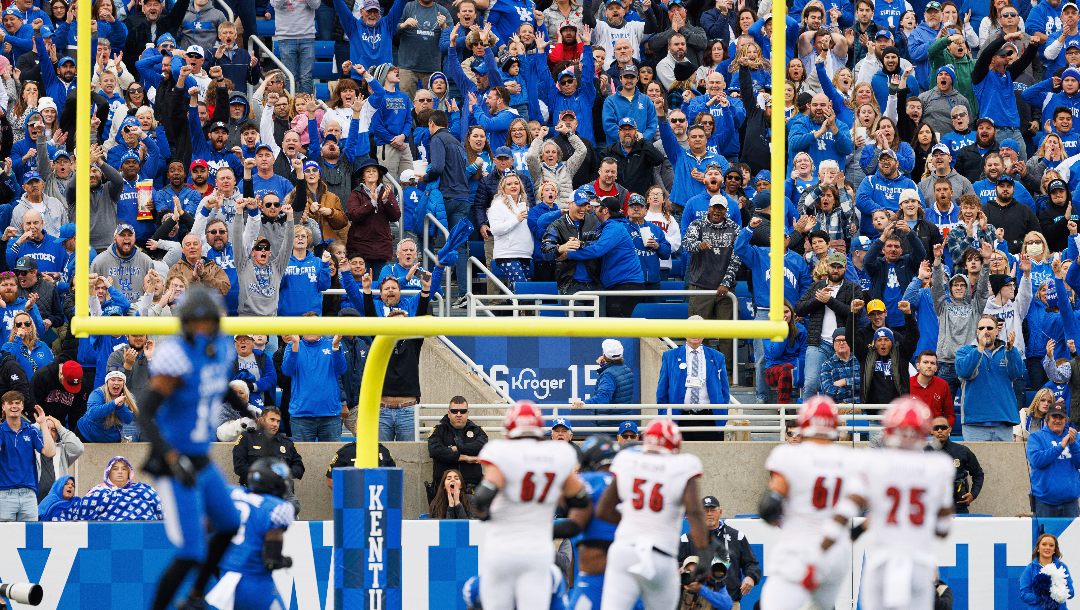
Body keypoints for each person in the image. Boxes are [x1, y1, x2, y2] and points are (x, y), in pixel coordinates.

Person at [137, 286, 243, 610]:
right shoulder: (177, 354)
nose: (200, 329)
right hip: (175, 461)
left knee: (229, 524)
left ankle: (195, 596)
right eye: (194, 323)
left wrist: (247, 408)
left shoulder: (220, 349)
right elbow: (146, 412)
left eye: (205, 322)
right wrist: (170, 456)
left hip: (201, 458)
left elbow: (216, 383)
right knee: (191, 551)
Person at [819, 397, 954, 610]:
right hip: (919, 562)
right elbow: (944, 529)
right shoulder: (939, 466)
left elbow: (847, 508)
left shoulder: (873, 463)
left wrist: (823, 545)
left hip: (882, 560)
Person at [472, 401, 588, 610]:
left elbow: (482, 497)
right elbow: (580, 498)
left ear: (510, 426)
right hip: (537, 550)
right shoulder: (559, 455)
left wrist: (484, 514)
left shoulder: (500, 451)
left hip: (503, 547)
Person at [596, 419, 712, 610]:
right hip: (661, 555)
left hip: (625, 551)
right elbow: (694, 512)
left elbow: (603, 511)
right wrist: (705, 552)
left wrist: (634, 519)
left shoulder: (628, 460)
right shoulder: (682, 465)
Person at [758, 396, 851, 609]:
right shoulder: (849, 458)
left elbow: (768, 507)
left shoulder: (788, 456)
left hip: (800, 547)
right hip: (836, 552)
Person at [204, 458, 297, 610]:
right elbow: (271, 560)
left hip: (225, 580)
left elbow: (208, 530)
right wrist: (284, 561)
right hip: (254, 583)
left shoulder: (232, 493)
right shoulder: (276, 508)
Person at [557, 436, 625, 610]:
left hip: (597, 572)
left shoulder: (588, 480)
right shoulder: (629, 481)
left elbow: (574, 523)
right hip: (633, 570)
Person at [656, 316, 732, 442]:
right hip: (679, 419)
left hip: (709, 419)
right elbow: (662, 391)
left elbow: (724, 390)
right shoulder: (670, 357)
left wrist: (722, 416)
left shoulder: (717, 357)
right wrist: (665, 416)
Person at [677, 496, 760, 608]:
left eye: (713, 510)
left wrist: (751, 577)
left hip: (729, 602)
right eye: (705, 511)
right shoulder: (687, 539)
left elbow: (751, 564)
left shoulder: (737, 537)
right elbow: (675, 565)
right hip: (697, 603)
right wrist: (684, 570)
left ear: (720, 512)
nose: (709, 514)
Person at [956, 313, 1026, 440]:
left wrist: (1011, 351)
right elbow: (964, 372)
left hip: (1003, 422)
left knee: (1004, 460)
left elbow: (1017, 373)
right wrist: (980, 348)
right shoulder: (964, 351)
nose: (985, 331)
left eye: (989, 328)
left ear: (997, 332)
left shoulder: (1008, 351)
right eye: (981, 328)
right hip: (974, 423)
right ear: (976, 332)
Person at [232, 406, 304, 509]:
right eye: (272, 420)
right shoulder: (247, 438)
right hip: (255, 490)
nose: (275, 424)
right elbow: (239, 467)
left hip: (282, 492)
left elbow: (299, 466)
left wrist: (285, 473)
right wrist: (262, 476)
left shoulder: (286, 442)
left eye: (278, 421)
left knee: (294, 506)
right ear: (261, 420)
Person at [280, 332, 347, 442]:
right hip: (301, 415)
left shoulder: (332, 344)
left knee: (332, 458)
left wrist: (335, 346)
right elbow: (287, 371)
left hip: (330, 414)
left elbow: (341, 370)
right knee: (300, 458)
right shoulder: (293, 345)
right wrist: (295, 345)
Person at [0, 390, 54, 521]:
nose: (14, 406)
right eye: (10, 403)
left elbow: (50, 452)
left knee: (31, 539)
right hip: (4, 494)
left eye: (18, 403)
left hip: (29, 494)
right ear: (3, 407)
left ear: (22, 406)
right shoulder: (1, 430)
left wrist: (42, 424)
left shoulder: (31, 430)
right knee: (6, 539)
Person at [427, 396, 488, 499]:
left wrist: (457, 447)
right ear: (449, 413)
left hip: (472, 491)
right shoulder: (438, 430)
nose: (459, 414)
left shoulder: (477, 431)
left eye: (463, 411)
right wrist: (465, 457)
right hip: (444, 491)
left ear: (467, 413)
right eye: (454, 411)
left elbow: (481, 447)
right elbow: (435, 451)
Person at [1027, 402, 1080, 517]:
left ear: (1066, 420)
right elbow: (1037, 461)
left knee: (1072, 536)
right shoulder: (1036, 437)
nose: (1057, 420)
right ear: (1047, 419)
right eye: (1054, 416)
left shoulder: (1075, 437)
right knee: (1045, 535)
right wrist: (1060, 446)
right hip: (1044, 502)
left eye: (1061, 417)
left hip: (1071, 503)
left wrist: (1074, 444)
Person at [570, 339, 635, 431]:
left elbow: (603, 398)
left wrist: (584, 403)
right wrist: (604, 365)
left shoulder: (608, 375)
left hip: (609, 426)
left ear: (604, 355)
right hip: (622, 424)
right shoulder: (626, 370)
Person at [77, 455, 163, 521]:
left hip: (142, 531)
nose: (120, 472)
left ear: (129, 472)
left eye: (124, 469)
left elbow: (160, 509)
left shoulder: (142, 489)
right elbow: (84, 513)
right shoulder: (98, 491)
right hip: (108, 533)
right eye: (115, 469)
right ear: (108, 473)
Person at [927, 416, 984, 514]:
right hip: (931, 507)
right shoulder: (923, 452)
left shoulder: (962, 451)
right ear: (931, 431)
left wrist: (973, 494)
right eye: (936, 428)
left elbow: (978, 474)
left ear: (949, 429)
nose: (940, 430)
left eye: (943, 427)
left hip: (958, 506)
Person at [1019, 533, 1076, 610]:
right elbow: (1024, 595)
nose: (1048, 547)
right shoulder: (1030, 569)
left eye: (1051, 545)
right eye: (1044, 544)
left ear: (1054, 550)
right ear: (1038, 548)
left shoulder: (1062, 567)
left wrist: (1058, 593)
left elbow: (1071, 593)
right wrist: (1043, 596)